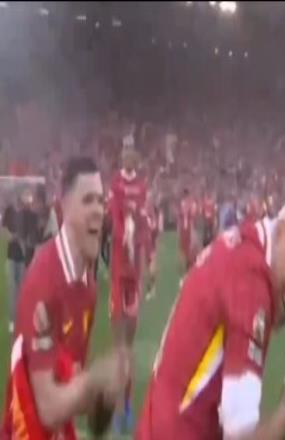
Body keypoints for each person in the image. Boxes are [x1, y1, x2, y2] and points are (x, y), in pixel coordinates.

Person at [136, 194, 285, 440]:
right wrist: (284, 419)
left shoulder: (242, 245)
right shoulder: (252, 283)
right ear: (280, 232)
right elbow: (240, 436)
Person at [2, 157, 130, 439]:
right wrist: (95, 381)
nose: (98, 210)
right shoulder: (44, 281)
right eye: (87, 200)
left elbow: (73, 391)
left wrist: (105, 397)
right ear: (63, 207)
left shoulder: (88, 287)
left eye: (101, 201)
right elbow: (47, 409)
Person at [109, 144, 147, 432]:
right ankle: (118, 408)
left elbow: (143, 230)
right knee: (119, 347)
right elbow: (114, 222)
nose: (128, 157)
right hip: (119, 275)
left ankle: (128, 405)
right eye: (125, 153)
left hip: (133, 278)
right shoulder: (116, 184)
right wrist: (125, 233)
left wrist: (144, 272)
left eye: (132, 153)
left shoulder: (142, 187)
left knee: (128, 348)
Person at [2, 193, 26, 334]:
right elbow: (5, 232)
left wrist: (21, 238)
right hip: (11, 257)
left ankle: (22, 317)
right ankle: (12, 320)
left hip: (22, 256)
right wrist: (14, 236)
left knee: (22, 288)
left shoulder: (24, 213)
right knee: (13, 289)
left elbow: (27, 234)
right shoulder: (9, 212)